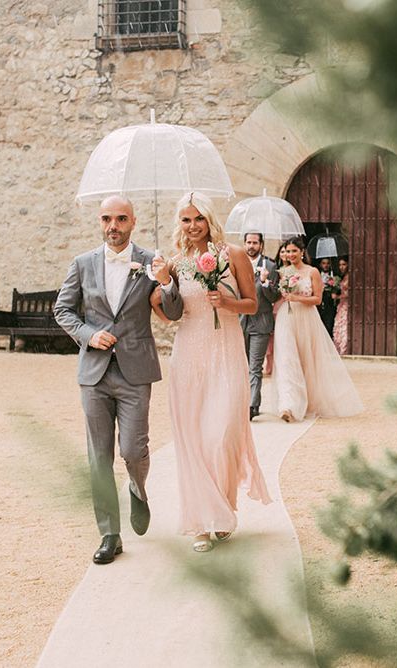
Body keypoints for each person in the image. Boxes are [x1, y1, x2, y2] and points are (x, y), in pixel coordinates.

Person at [53, 195, 183, 565]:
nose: (114, 226)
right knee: (98, 456)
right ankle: (110, 533)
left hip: (135, 372)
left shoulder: (148, 261)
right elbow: (63, 309)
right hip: (94, 373)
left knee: (132, 449)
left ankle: (137, 487)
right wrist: (88, 334)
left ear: (133, 222)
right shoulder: (82, 264)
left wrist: (166, 281)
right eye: (107, 219)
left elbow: (172, 312)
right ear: (100, 222)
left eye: (121, 219)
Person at [150, 192, 271, 553]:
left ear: (209, 219)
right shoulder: (173, 263)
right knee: (193, 442)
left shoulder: (231, 255)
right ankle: (201, 522)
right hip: (188, 357)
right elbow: (166, 312)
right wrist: (161, 287)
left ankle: (221, 506)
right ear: (179, 224)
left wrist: (227, 302)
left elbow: (253, 304)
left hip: (226, 354)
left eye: (198, 218)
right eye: (186, 220)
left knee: (220, 435)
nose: (192, 226)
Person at [273, 237, 363, 422]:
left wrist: (296, 298)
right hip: (286, 318)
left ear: (302, 251)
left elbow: (317, 299)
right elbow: (280, 295)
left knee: (307, 359)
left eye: (293, 251)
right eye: (287, 251)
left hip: (306, 318)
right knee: (287, 359)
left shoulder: (312, 272)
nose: (290, 255)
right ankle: (288, 405)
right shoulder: (283, 271)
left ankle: (309, 401)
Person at [240, 232, 280, 420]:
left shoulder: (270, 266)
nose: (251, 246)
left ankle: (252, 405)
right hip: (240, 322)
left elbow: (274, 297)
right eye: (248, 242)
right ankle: (240, 402)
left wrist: (265, 282)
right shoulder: (236, 264)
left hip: (261, 322)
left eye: (255, 242)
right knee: (241, 364)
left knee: (255, 366)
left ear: (261, 245)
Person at [264, 241, 290, 376]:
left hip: (288, 304)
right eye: (283, 251)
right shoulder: (273, 268)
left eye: (288, 251)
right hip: (275, 305)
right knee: (272, 336)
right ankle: (270, 365)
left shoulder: (294, 270)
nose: (285, 254)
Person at [333, 256, 350, 355]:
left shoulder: (349, 276)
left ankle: (344, 349)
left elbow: (349, 293)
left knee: (344, 326)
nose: (341, 267)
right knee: (338, 325)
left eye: (344, 264)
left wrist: (338, 296)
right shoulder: (343, 277)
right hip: (341, 305)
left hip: (346, 304)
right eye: (340, 265)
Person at [316, 257, 338, 336]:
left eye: (328, 263)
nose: (326, 265)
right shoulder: (317, 274)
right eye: (324, 263)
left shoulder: (334, 275)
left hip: (330, 302)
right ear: (320, 264)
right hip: (320, 302)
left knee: (329, 323)